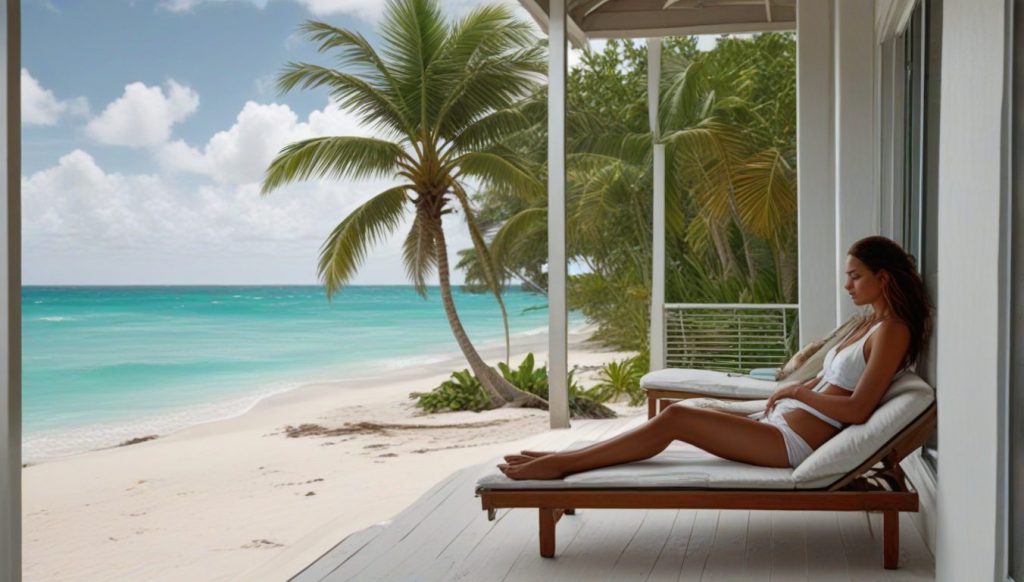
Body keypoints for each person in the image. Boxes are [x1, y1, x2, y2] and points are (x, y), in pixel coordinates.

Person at [498, 235, 933, 480]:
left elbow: (857, 410)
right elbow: (837, 385)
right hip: (779, 424)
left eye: (855, 277)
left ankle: (562, 465)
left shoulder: (892, 332)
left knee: (677, 419)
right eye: (847, 277)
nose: (847, 286)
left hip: (793, 445)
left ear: (883, 277)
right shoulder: (867, 324)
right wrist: (786, 400)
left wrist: (798, 390)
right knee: (675, 410)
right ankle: (575, 459)